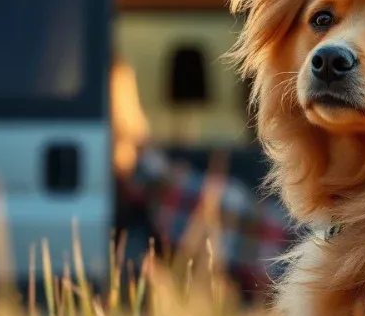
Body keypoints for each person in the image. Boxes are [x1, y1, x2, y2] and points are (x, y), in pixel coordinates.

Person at [110, 61, 292, 297]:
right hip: (174, 196)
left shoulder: (135, 152)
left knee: (233, 203)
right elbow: (152, 180)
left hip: (173, 188)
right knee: (233, 207)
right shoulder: (127, 156)